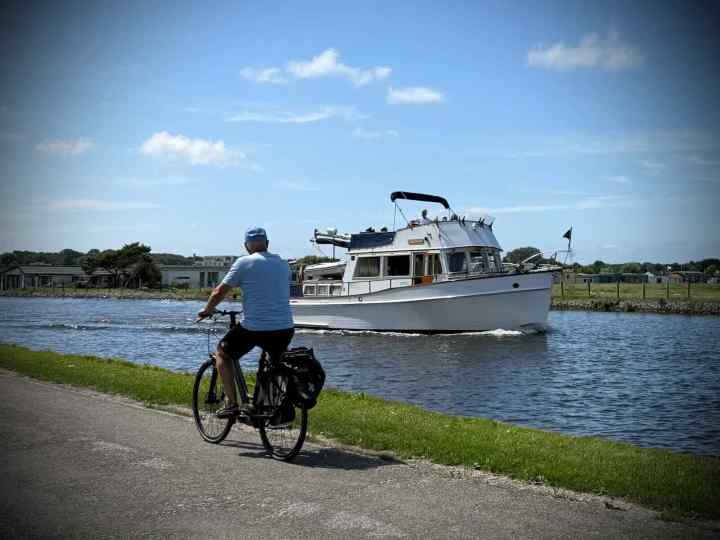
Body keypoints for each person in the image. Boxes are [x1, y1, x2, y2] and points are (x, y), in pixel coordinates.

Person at [197, 227, 294, 418]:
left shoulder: (244, 262)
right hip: (285, 327)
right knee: (272, 362)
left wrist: (207, 310)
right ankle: (270, 406)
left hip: (255, 327)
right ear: (267, 243)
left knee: (223, 354)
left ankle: (231, 404)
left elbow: (219, 291)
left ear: (246, 246)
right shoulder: (283, 264)